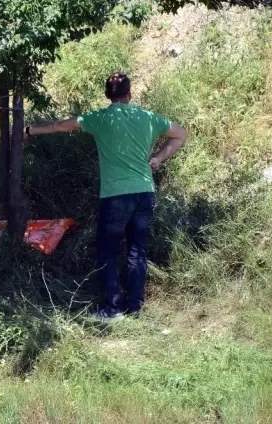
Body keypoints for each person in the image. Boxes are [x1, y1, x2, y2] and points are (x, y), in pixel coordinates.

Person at [24, 72, 188, 321]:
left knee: (106, 251)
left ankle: (112, 309)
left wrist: (28, 130)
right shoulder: (148, 117)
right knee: (137, 250)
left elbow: (60, 125)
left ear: (107, 96)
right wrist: (158, 158)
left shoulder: (100, 119)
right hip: (144, 192)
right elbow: (180, 134)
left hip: (116, 196)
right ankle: (135, 307)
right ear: (130, 94)